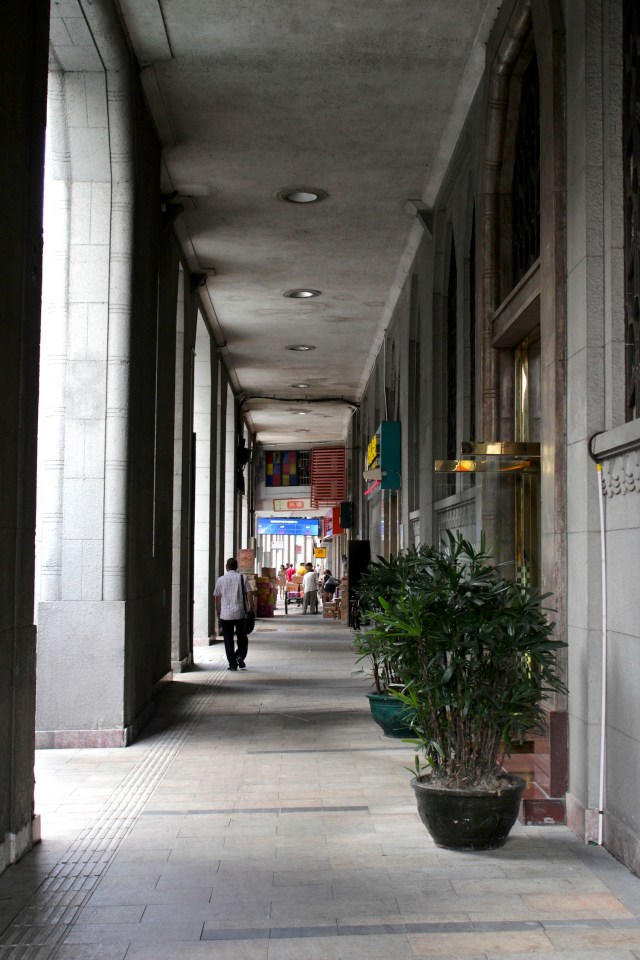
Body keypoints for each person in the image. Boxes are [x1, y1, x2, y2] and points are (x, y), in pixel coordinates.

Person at [214, 558, 255, 671]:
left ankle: (232, 664)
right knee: (242, 637)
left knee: (228, 639)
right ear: (237, 567)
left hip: (225, 614)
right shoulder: (243, 578)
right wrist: (251, 607)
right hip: (240, 613)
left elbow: (217, 597)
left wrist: (218, 610)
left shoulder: (220, 580)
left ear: (227, 567)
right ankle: (240, 655)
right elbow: (249, 593)